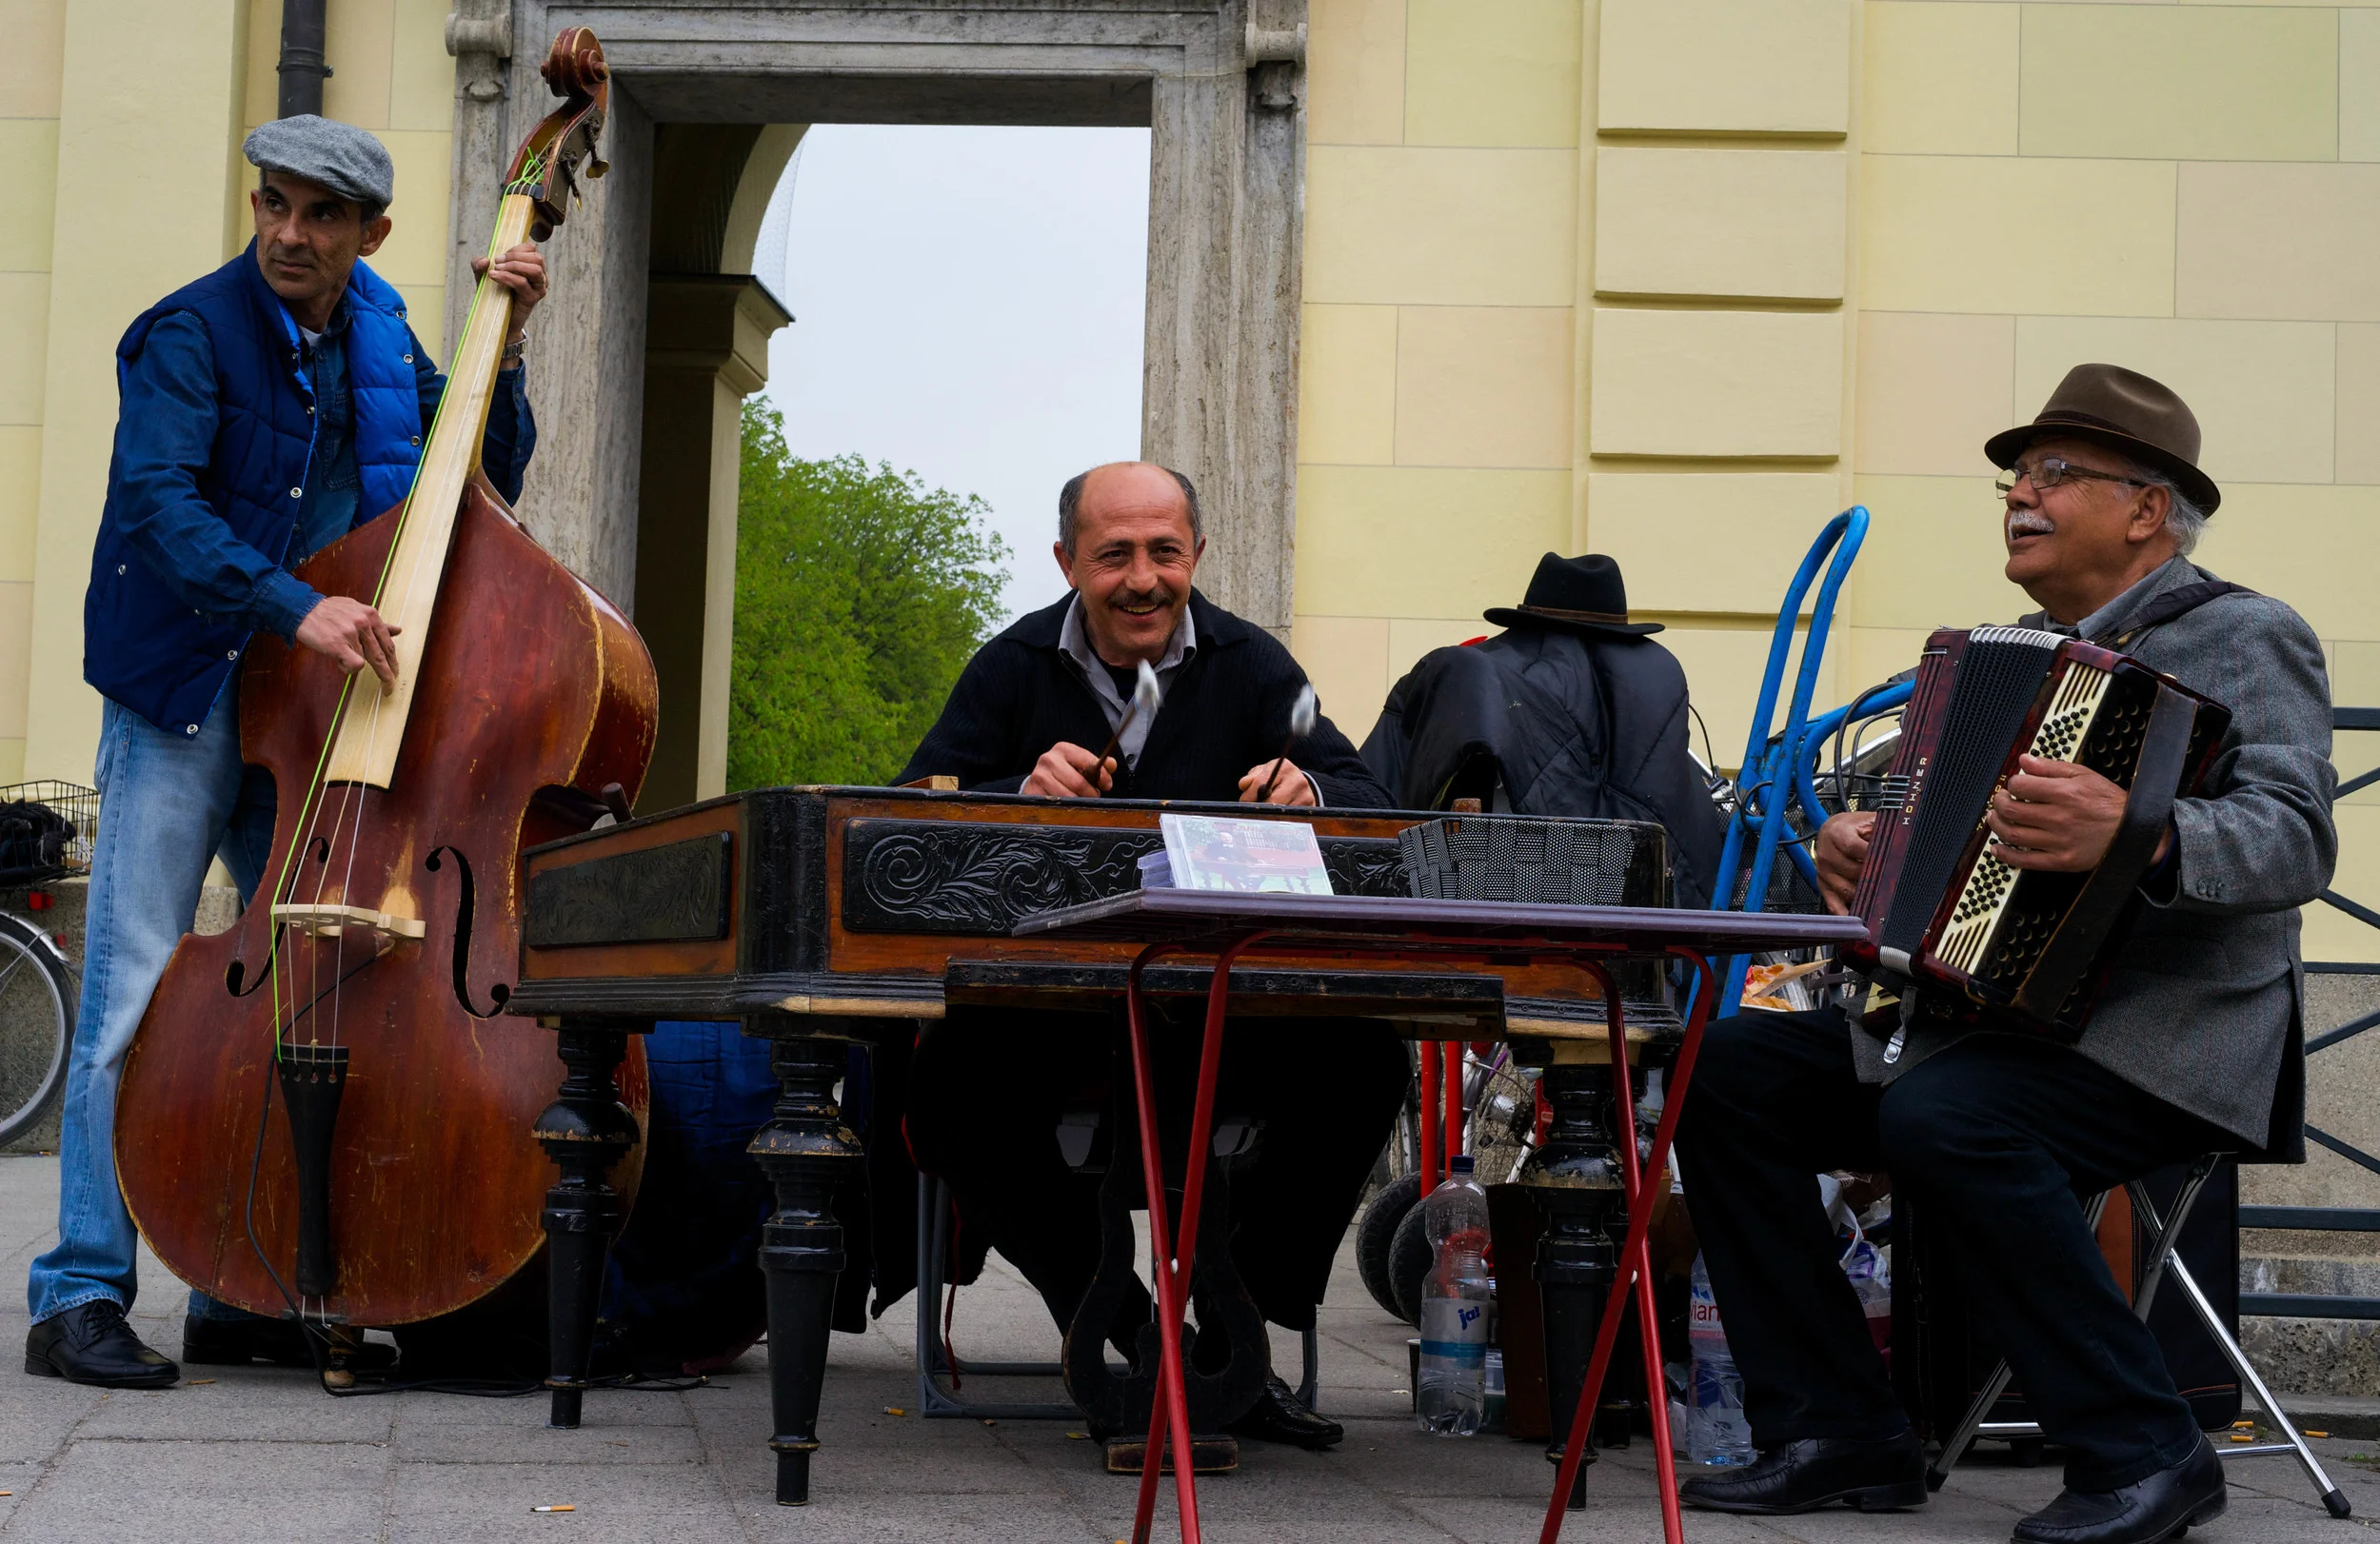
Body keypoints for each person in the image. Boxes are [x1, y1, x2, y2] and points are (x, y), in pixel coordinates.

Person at [1674, 365, 2334, 1544]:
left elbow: (2296, 835)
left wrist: (2136, 832)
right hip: (1996, 1023)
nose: (2019, 495)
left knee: (1951, 1117)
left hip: (2162, 1038)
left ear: (2147, 507)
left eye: (2054, 473)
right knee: (1728, 1071)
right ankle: (1836, 1426)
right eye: (2015, 476)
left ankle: (2145, 1448)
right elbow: (1931, 820)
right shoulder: (2013, 652)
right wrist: (1856, 848)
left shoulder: (2247, 632)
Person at [23, 115, 548, 1388]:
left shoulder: (378, 327)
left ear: (373, 233)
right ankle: (78, 1289)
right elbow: (158, 503)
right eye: (273, 206)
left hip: (306, 712)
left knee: (295, 987)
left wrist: (505, 353)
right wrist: (296, 606)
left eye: (320, 216)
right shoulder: (190, 331)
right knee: (140, 986)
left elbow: (476, 482)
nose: (288, 235)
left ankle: (240, 1278)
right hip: (188, 691)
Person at [895, 461, 1406, 1449]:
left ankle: (1232, 1338)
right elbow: (911, 807)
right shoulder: (1008, 667)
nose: (1143, 578)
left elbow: (1365, 790)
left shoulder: (1255, 666)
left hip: (1230, 1009)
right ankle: (1132, 1330)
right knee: (946, 1094)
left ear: (1197, 555)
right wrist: (1012, 789)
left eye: (1164, 552)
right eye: (1115, 554)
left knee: (1366, 1061)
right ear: (1066, 562)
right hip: (1053, 1016)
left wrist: (1314, 793)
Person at [1360, 551, 1726, 907]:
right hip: (1640, 908)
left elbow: (1378, 780)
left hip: (1493, 892)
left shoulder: (1477, 669)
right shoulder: (1657, 678)